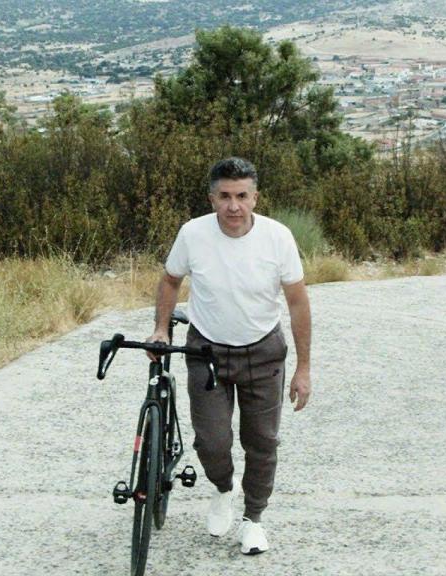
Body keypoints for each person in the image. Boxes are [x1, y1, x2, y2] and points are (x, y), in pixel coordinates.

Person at [146, 157, 312, 555]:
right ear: (212, 198)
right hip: (207, 351)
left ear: (255, 198)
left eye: (241, 196)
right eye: (224, 196)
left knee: (263, 442)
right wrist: (161, 328)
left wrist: (303, 368)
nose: (233, 206)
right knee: (211, 441)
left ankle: (253, 519)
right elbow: (170, 280)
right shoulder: (193, 233)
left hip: (263, 351)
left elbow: (298, 303)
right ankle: (223, 487)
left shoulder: (278, 237)